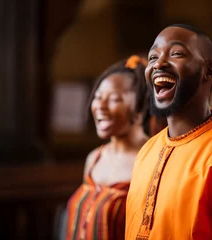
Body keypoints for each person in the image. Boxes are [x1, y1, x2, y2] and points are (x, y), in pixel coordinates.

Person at [124, 24, 212, 240]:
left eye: (176, 54)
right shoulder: (147, 151)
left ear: (207, 72)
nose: (159, 63)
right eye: (152, 57)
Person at [65, 55, 161, 240]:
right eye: (98, 97)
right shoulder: (95, 158)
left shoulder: (152, 160)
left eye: (114, 99)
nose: (100, 106)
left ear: (141, 106)